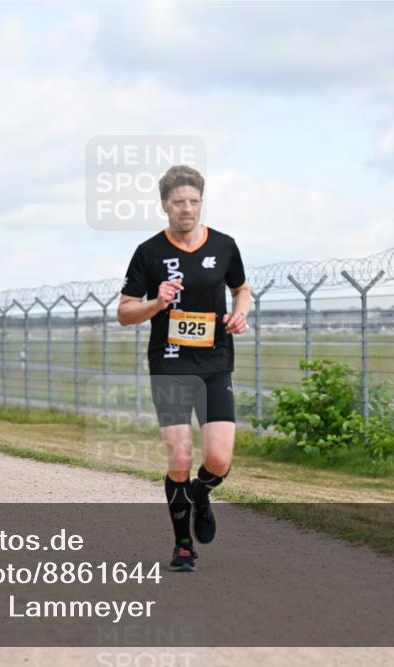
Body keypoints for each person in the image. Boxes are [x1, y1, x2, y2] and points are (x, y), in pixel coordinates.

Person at [117, 165, 250, 572]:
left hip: (214, 363)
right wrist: (156, 304)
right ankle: (184, 546)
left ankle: (201, 494)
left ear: (201, 203)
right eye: (178, 202)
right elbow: (124, 312)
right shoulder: (149, 252)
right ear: (164, 206)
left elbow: (240, 289)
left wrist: (240, 314)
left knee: (219, 459)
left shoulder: (225, 246)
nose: (187, 209)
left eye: (194, 201)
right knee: (180, 455)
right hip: (170, 363)